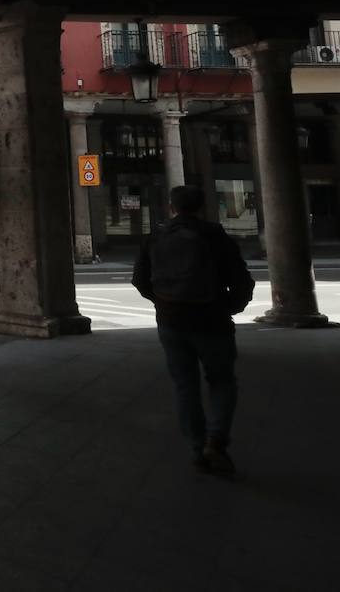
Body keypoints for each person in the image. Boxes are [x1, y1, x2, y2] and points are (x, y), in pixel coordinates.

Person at [133, 185, 254, 476]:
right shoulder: (215, 236)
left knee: (185, 385)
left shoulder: (157, 236)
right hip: (212, 320)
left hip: (172, 322)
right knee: (222, 380)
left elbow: (140, 279)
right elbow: (242, 281)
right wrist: (228, 307)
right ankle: (216, 441)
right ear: (201, 206)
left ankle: (196, 447)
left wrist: (162, 303)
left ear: (171, 206)